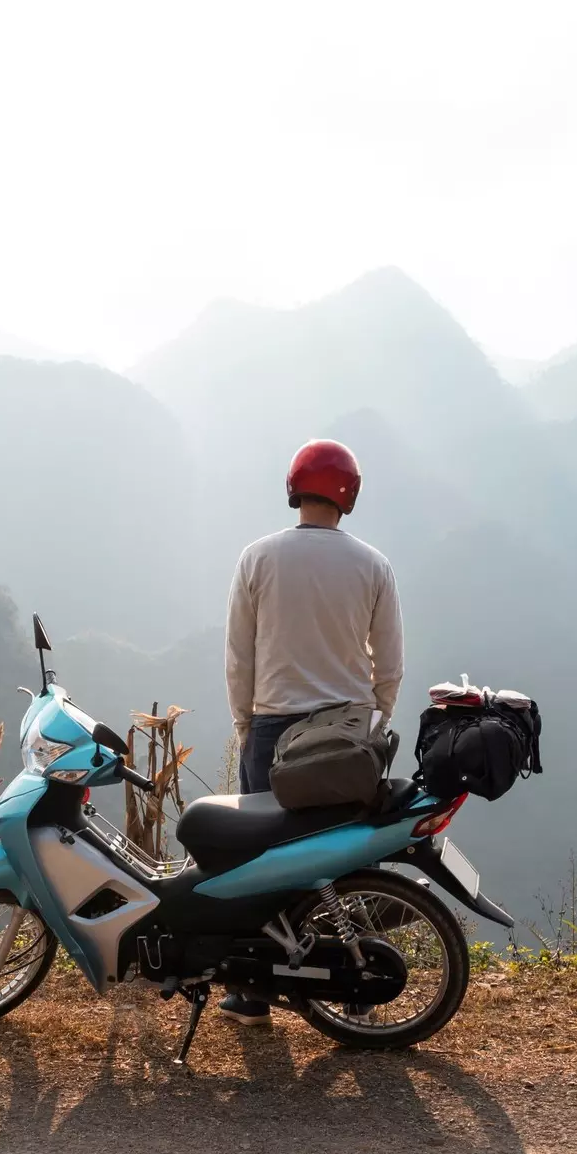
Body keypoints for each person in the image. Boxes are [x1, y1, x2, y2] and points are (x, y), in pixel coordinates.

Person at [218, 437, 404, 1026]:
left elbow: (238, 657)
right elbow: (390, 662)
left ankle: (252, 996)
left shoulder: (257, 558)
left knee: (259, 860)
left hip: (273, 730)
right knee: (345, 857)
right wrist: (376, 720)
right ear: (348, 495)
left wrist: (245, 725)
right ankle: (355, 991)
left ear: (294, 488)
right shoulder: (373, 565)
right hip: (346, 731)